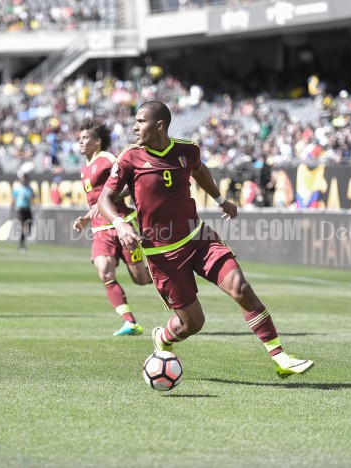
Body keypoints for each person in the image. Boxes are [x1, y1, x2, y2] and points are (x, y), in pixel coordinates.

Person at [98, 101, 313, 376]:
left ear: (159, 125)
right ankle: (163, 338)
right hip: (162, 254)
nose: (134, 126)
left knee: (241, 288)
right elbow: (106, 198)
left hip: (198, 238)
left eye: (140, 121)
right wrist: (119, 223)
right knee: (193, 323)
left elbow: (199, 170)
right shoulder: (130, 157)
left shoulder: (187, 150)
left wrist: (221, 199)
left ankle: (281, 357)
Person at [72, 118, 152, 336]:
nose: (80, 142)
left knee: (140, 279)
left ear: (97, 141)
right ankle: (130, 322)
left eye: (85, 138)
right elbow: (97, 203)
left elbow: (128, 183)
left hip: (122, 224)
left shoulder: (107, 159)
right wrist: (86, 219)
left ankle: (162, 273)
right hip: (100, 230)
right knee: (105, 273)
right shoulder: (84, 169)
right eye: (79, 138)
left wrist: (110, 198)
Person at [12, 173, 34, 253]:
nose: (23, 180)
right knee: (22, 227)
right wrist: (15, 206)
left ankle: (22, 241)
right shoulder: (17, 189)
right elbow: (14, 198)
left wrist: (32, 208)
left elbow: (31, 199)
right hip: (20, 209)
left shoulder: (29, 189)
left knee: (29, 225)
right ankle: (21, 245)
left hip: (27, 209)